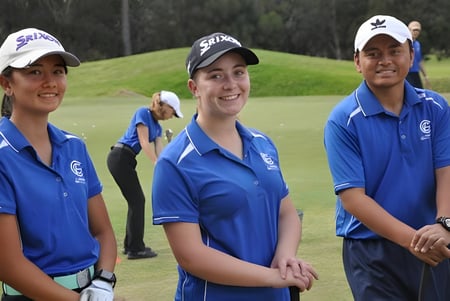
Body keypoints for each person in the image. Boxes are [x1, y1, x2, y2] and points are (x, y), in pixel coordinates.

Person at [151, 32, 318, 301]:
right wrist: (273, 277)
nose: (231, 84)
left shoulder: (263, 143)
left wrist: (285, 256)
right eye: (216, 75)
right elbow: (191, 256)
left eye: (238, 72)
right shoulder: (175, 162)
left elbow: (286, 214)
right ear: (194, 87)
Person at [324, 15, 450, 301]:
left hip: (435, 240)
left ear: (411, 54)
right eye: (373, 53)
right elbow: (353, 198)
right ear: (357, 61)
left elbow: (446, 170)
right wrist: (413, 241)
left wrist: (445, 224)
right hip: (372, 253)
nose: (385, 60)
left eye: (394, 51)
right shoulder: (344, 120)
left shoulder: (435, 107)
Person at [0, 28, 117, 301]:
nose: (50, 82)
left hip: (90, 290)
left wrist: (103, 282)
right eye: (35, 72)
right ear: (7, 84)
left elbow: (103, 232)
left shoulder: (74, 146)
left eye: (58, 71)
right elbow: (8, 264)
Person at [107, 90, 183, 260]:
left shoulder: (157, 126)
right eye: (173, 112)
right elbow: (143, 140)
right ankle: (136, 249)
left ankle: (130, 245)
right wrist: (156, 163)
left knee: (135, 201)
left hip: (127, 160)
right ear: (165, 106)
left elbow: (159, 148)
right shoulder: (143, 113)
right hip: (119, 156)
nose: (172, 117)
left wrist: (165, 165)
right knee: (137, 201)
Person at [406, 20, 430, 88]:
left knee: (419, 93)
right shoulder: (405, 43)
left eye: (418, 30)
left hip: (415, 73)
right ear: (409, 30)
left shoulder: (417, 44)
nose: (416, 32)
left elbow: (419, 61)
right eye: (414, 30)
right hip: (407, 73)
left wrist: (425, 76)